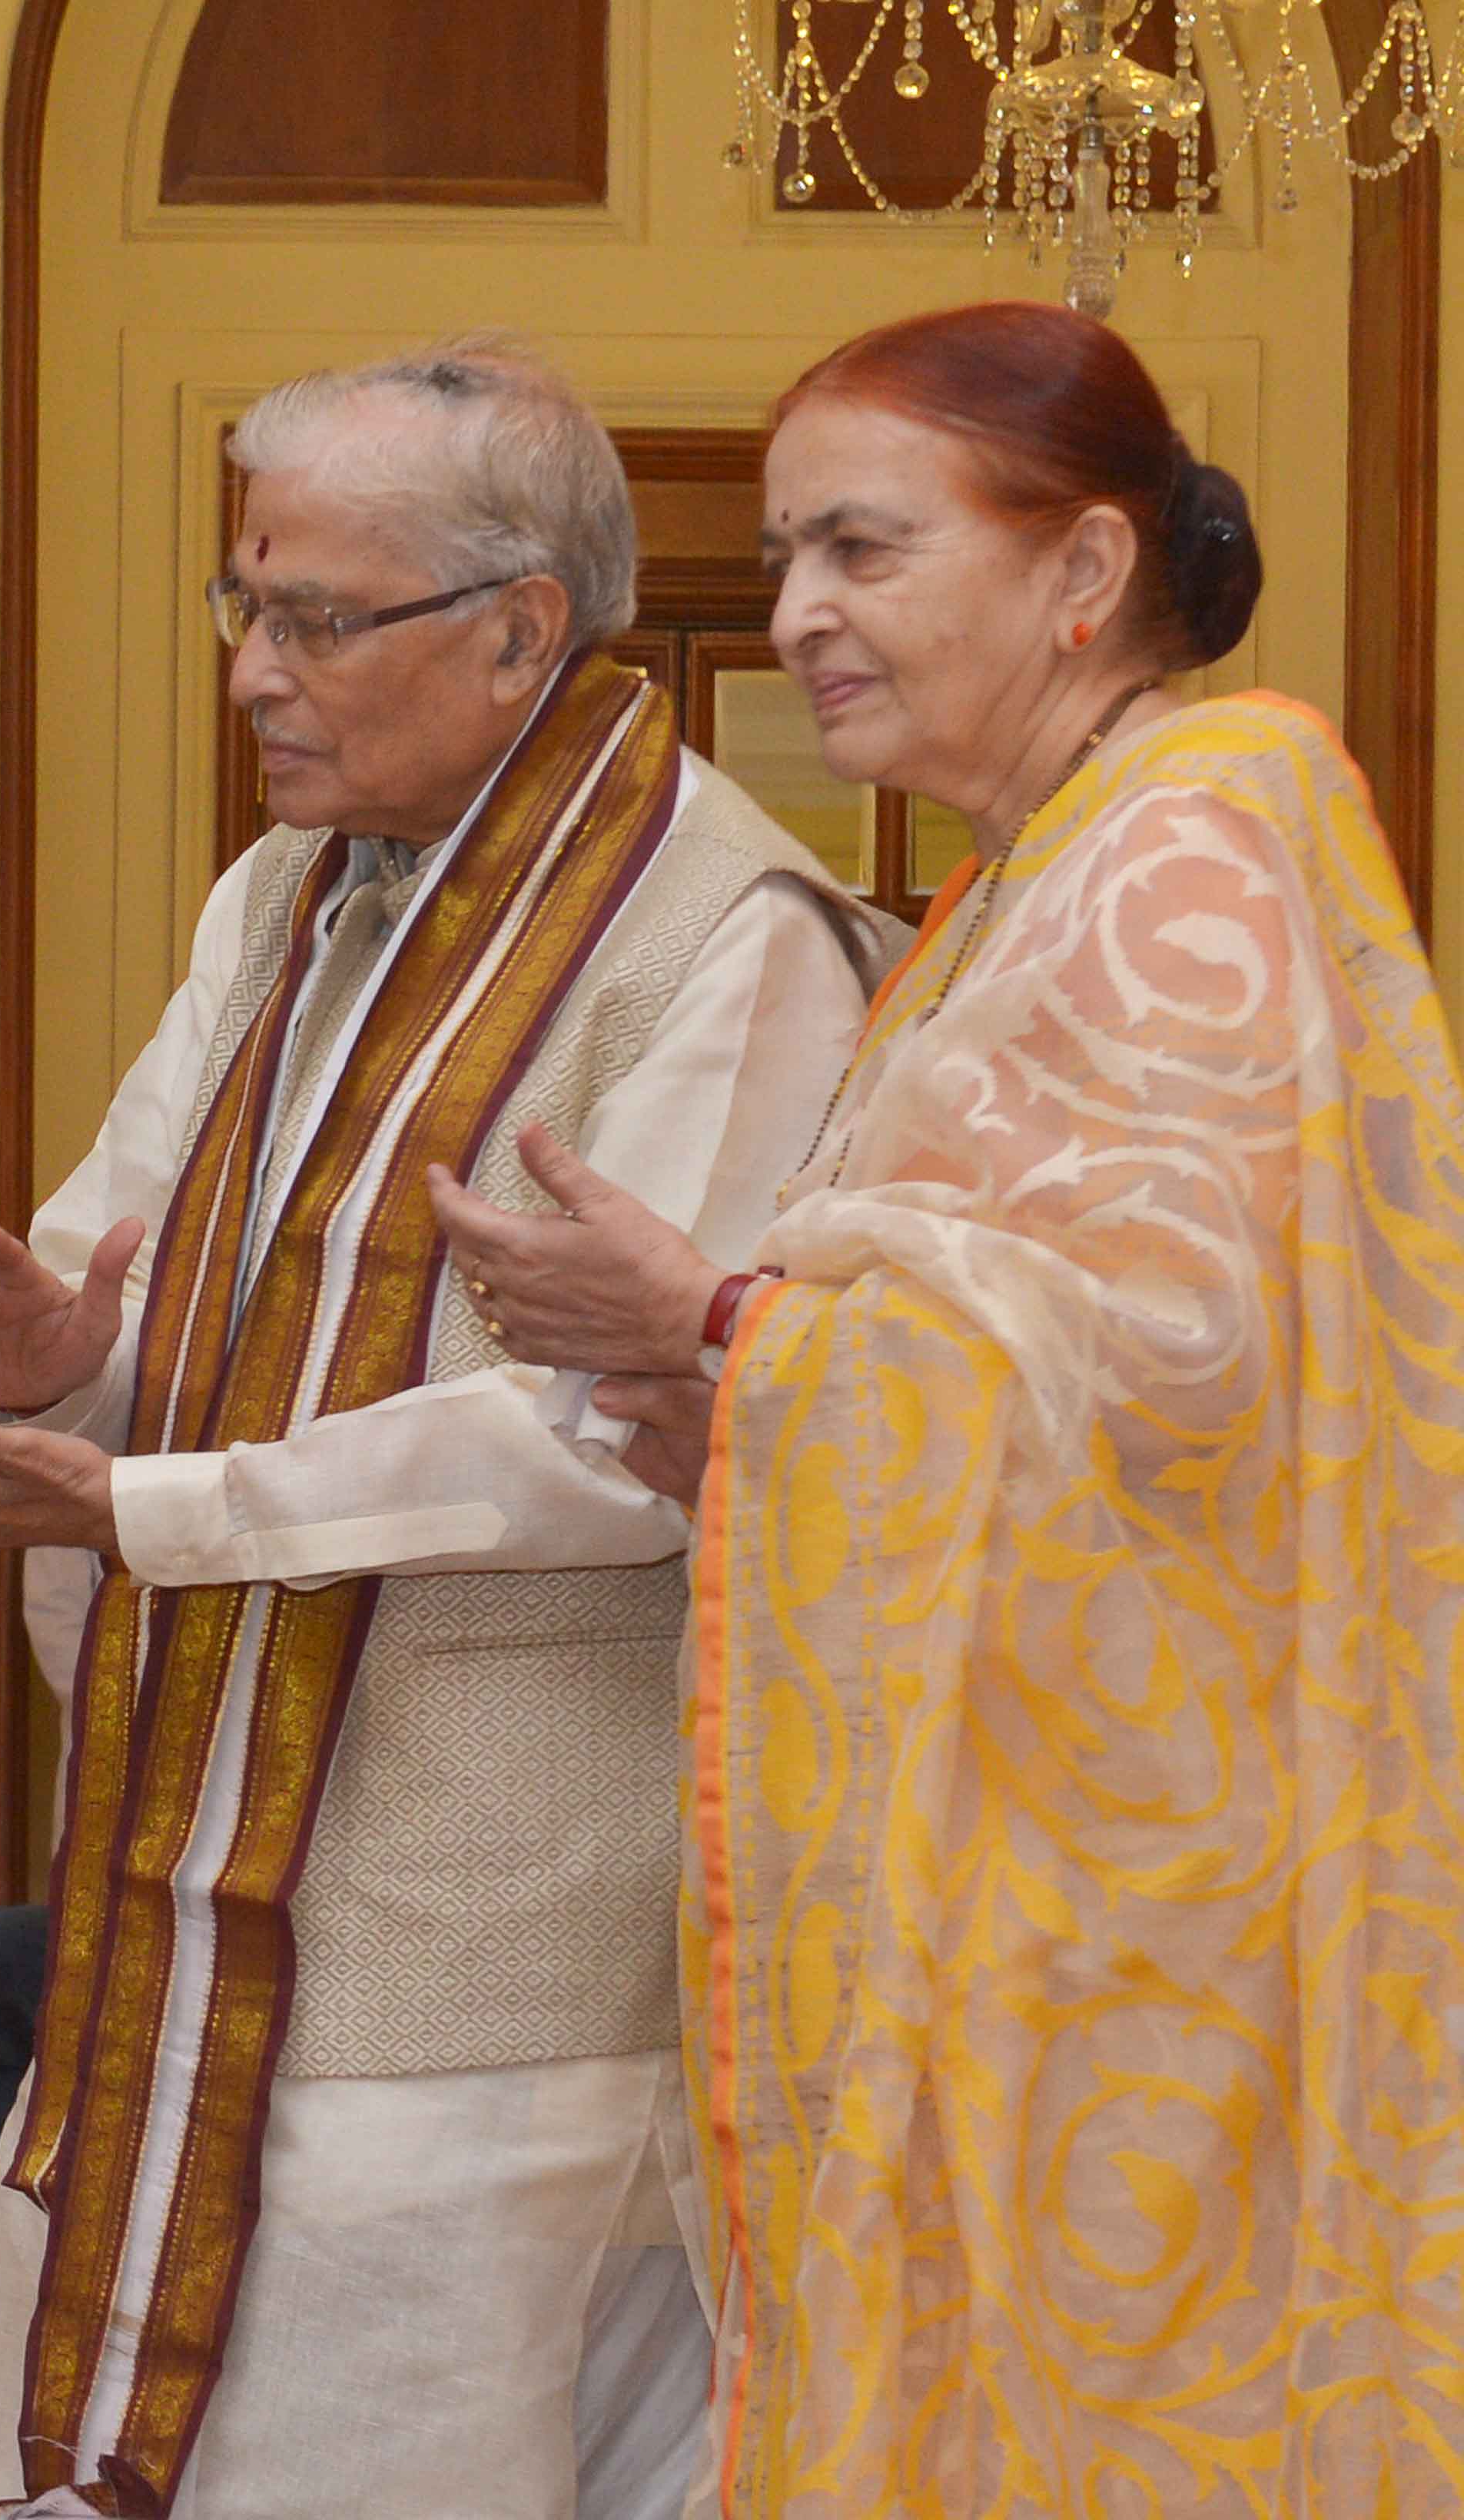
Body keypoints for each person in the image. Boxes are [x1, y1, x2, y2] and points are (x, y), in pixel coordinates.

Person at [0, 341, 893, 2519]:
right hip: (187, 1891)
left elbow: (616, 1437)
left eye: (315, 618)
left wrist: (153, 1496)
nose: (255, 676)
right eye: (244, 607)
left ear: (516, 631)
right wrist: (47, 1369)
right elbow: (132, 1297)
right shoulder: (278, 905)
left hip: (493, 1955)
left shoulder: (733, 936)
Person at [432, 300, 1464, 2516]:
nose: (797, 611)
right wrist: (727, 1403)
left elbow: (1181, 1353)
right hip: (1029, 1910)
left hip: (1159, 1947)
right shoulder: (1040, 872)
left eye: (863, 550)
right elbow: (1027, 1365)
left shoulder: (1203, 835)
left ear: (1081, 573)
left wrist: (722, 1325)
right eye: (791, 554)